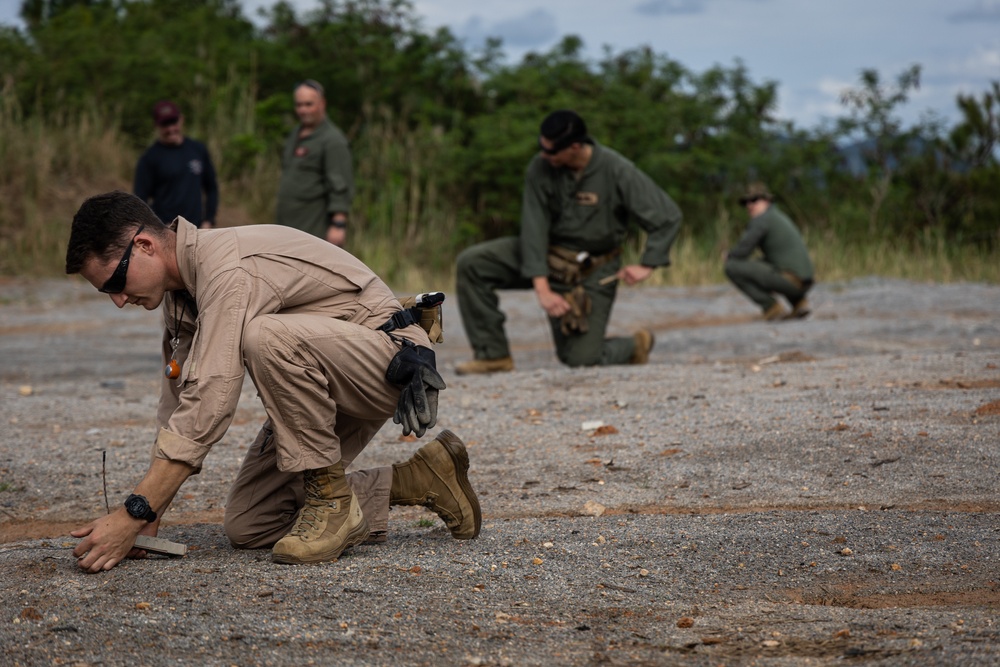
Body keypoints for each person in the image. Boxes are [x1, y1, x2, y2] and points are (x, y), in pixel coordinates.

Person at [65, 191, 480, 573]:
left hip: (388, 363)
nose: (118, 300)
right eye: (107, 293)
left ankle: (332, 503)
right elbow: (178, 405)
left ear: (144, 246)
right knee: (252, 522)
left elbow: (212, 399)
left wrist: (132, 512)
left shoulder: (227, 269)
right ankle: (424, 477)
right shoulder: (181, 295)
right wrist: (151, 515)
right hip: (321, 377)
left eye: (116, 283)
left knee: (264, 337)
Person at [454, 110, 683, 375]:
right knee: (473, 263)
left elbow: (667, 216)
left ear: (575, 147)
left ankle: (634, 346)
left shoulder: (616, 169)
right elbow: (534, 228)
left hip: (593, 269)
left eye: (551, 152)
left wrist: (649, 263)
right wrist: (543, 289)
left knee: (580, 359)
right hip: (546, 255)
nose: (543, 155)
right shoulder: (540, 168)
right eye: (542, 147)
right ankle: (493, 355)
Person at [275, 79, 354, 247]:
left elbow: (339, 184)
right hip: (287, 225)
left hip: (312, 228)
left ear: (322, 103)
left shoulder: (332, 140)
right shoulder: (296, 133)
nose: (303, 110)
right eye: (299, 105)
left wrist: (338, 224)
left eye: (309, 104)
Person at [724, 182, 815, 320]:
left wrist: (729, 255)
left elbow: (743, 251)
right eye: (746, 202)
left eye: (754, 200)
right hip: (805, 281)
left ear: (766, 200)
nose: (749, 205)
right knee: (764, 263)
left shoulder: (762, 220)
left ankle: (771, 307)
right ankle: (799, 302)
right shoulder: (778, 216)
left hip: (791, 281)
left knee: (731, 266)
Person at [134, 100, 219, 229]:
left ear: (181, 120)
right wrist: (158, 226)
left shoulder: (198, 150)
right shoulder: (149, 158)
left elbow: (211, 188)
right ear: (156, 125)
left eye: (173, 122)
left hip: (198, 230)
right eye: (165, 124)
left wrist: (209, 220)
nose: (170, 129)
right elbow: (140, 200)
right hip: (167, 231)